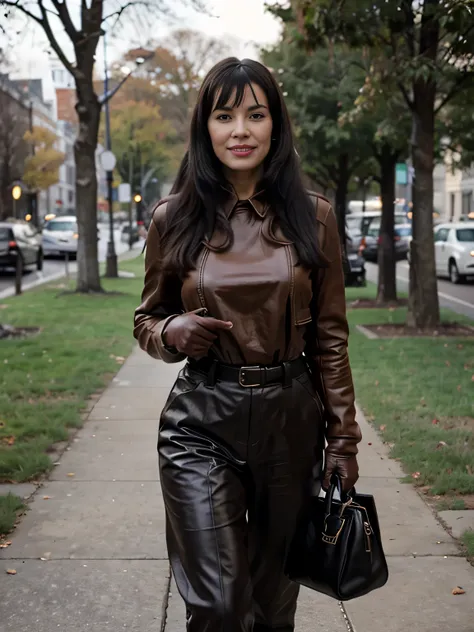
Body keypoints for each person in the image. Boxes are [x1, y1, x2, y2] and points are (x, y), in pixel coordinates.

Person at [134, 57, 361, 632]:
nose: (240, 130)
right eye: (225, 115)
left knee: (272, 608)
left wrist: (343, 441)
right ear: (205, 129)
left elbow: (331, 338)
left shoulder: (315, 217)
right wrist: (171, 332)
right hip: (200, 423)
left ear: (276, 126)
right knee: (219, 607)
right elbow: (146, 321)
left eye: (255, 115)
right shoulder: (173, 218)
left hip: (291, 426)